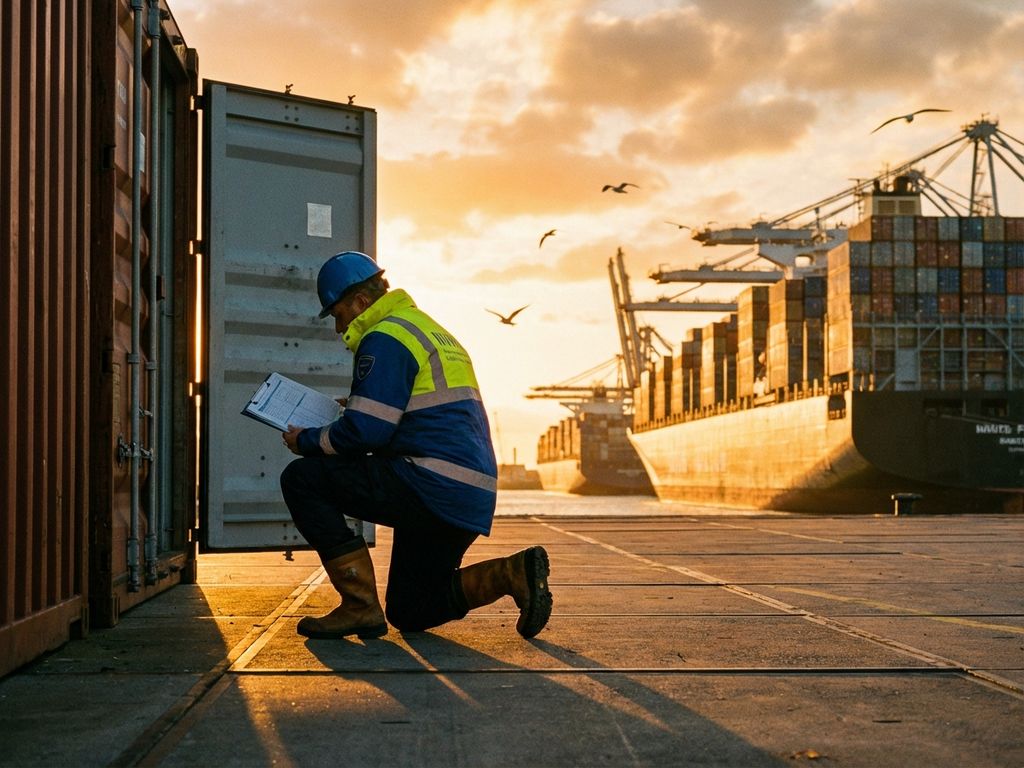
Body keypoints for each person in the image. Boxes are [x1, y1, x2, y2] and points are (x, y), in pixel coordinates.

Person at [279, 251, 552, 641]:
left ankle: (358, 606)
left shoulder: (385, 336)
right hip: (466, 492)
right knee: (411, 609)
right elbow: (417, 412)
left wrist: (305, 439)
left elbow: (366, 434)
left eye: (338, 315)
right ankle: (510, 573)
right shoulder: (429, 329)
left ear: (360, 303)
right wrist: (357, 407)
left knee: (302, 479)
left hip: (429, 482)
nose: (338, 329)